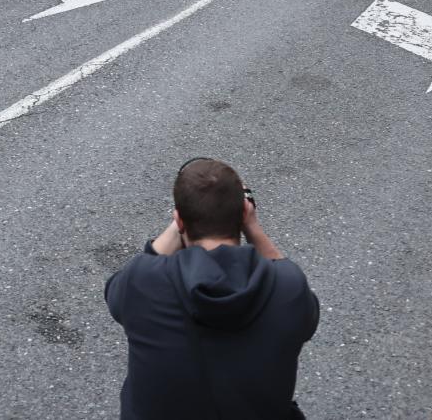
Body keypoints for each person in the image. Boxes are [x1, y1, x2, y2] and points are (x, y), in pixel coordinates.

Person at [105, 157, 319, 420]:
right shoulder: (288, 288)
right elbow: (308, 317)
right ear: (243, 215)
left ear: (180, 221)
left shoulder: (141, 281)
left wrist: (178, 225)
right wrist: (253, 228)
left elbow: (114, 294)